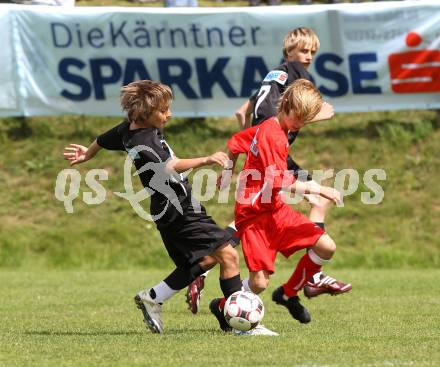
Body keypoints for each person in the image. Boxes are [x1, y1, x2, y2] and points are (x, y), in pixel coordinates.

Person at [186, 27, 351, 313]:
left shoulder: (275, 75)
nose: (308, 57)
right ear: (289, 52)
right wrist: (317, 115)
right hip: (269, 155)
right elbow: (280, 175)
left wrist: (230, 165)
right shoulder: (298, 76)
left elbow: (244, 114)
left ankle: (206, 271)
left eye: (313, 51)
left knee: (262, 215)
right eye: (303, 51)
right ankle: (307, 279)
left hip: (263, 149)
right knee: (295, 202)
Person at [63, 80, 242, 334]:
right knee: (229, 255)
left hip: (170, 206)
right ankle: (241, 326)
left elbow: (103, 139)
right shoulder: (144, 139)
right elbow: (170, 166)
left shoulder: (129, 128)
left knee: (205, 260)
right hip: (177, 207)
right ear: (145, 113)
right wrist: (206, 159)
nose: (169, 114)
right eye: (163, 110)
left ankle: (153, 297)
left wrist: (88, 154)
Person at [219, 79, 350, 329]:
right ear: (286, 105)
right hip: (254, 214)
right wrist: (320, 188)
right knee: (258, 284)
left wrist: (228, 170)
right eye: (299, 117)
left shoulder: (276, 125)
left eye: (305, 119)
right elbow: (278, 180)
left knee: (326, 246)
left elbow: (236, 141)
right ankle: (224, 305)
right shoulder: (273, 135)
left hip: (274, 209)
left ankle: (288, 294)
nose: (300, 124)